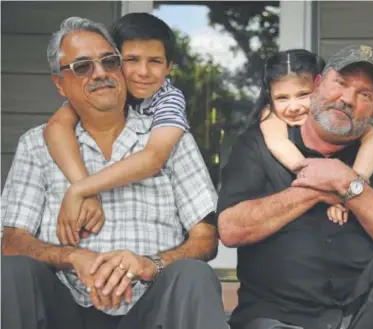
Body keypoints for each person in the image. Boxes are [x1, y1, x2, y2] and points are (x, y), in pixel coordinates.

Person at [1, 16, 228, 329]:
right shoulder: (37, 144)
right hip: (64, 306)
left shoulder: (170, 136)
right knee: (8, 273)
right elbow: (12, 241)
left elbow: (205, 238)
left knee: (194, 275)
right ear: (59, 83)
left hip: (149, 308)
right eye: (82, 67)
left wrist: (151, 263)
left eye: (110, 61)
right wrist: (73, 256)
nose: (100, 73)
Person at [217, 45, 373, 329]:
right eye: (340, 83)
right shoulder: (258, 145)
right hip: (277, 317)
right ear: (318, 85)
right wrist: (318, 185)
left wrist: (346, 182)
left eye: (364, 94)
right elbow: (231, 229)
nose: (346, 99)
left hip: (364, 317)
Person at [43, 13, 189, 245]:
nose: (143, 72)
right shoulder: (103, 91)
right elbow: (56, 127)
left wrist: (77, 190)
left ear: (169, 67)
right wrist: (86, 190)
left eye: (155, 61)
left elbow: (153, 157)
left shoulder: (168, 98)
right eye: (132, 60)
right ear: (117, 61)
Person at [258, 49, 373, 225]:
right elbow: (278, 143)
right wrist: (321, 183)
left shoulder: (347, 122)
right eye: (282, 98)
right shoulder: (271, 120)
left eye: (303, 95)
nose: (294, 107)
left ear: (318, 89)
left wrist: (348, 192)